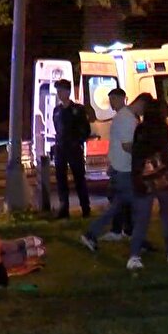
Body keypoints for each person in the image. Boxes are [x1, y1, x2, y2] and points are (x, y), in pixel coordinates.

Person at [79, 90, 152, 270]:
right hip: (125, 170)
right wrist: (145, 156)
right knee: (139, 208)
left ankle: (93, 233)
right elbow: (127, 146)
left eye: (112, 100)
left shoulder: (122, 117)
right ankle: (136, 248)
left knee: (119, 206)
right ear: (142, 104)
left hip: (120, 169)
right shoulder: (127, 119)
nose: (111, 103)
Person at [132, 94, 168, 264]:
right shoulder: (162, 128)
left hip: (144, 177)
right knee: (167, 215)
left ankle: (134, 256)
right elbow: (166, 154)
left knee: (142, 218)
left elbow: (136, 154)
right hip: (160, 178)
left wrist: (137, 177)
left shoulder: (140, 128)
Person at [52, 79, 92, 219]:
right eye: (57, 91)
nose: (59, 94)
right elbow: (57, 129)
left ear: (68, 92)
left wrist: (77, 141)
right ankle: (64, 209)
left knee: (79, 179)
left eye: (61, 90)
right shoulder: (57, 110)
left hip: (74, 149)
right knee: (61, 179)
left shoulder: (78, 110)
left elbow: (86, 129)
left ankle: (85, 208)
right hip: (61, 148)